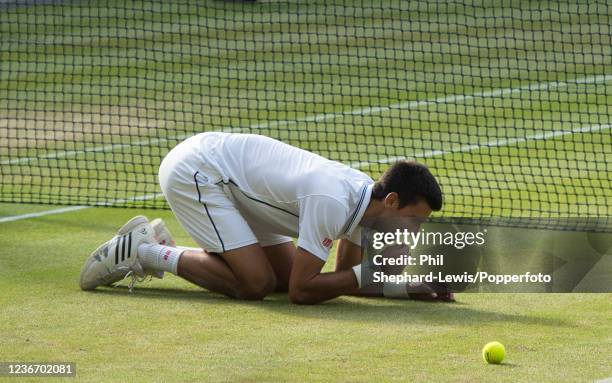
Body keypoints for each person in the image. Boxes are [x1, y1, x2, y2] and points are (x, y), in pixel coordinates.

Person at [79, 132, 452, 303]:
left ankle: (161, 248)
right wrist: (373, 273)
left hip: (240, 186)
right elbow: (303, 291)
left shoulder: (365, 207)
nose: (413, 231)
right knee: (255, 284)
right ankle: (146, 251)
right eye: (413, 221)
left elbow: (342, 282)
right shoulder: (332, 201)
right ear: (390, 201)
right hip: (199, 171)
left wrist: (404, 287)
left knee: (275, 279)